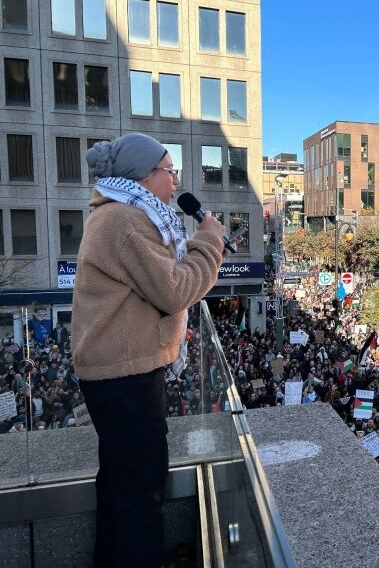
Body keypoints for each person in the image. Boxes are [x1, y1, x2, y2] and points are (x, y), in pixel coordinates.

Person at [73, 134, 225, 568]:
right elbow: (175, 289)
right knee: (143, 489)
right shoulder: (124, 220)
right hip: (125, 374)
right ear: (143, 175)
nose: (175, 182)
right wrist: (209, 241)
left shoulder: (124, 214)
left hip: (121, 368)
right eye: (169, 170)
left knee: (120, 483)